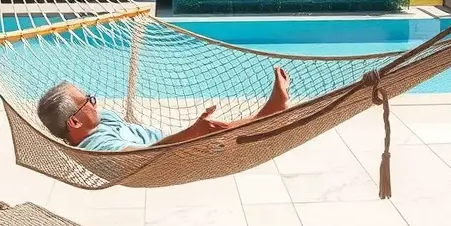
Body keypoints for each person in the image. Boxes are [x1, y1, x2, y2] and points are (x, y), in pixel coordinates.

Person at [37, 67, 291, 152]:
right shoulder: (97, 145)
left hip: (170, 143)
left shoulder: (99, 121)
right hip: (169, 155)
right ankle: (271, 114)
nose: (95, 102)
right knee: (220, 136)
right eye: (87, 101)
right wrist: (191, 133)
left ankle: (268, 114)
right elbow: (142, 158)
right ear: (75, 123)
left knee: (218, 130)